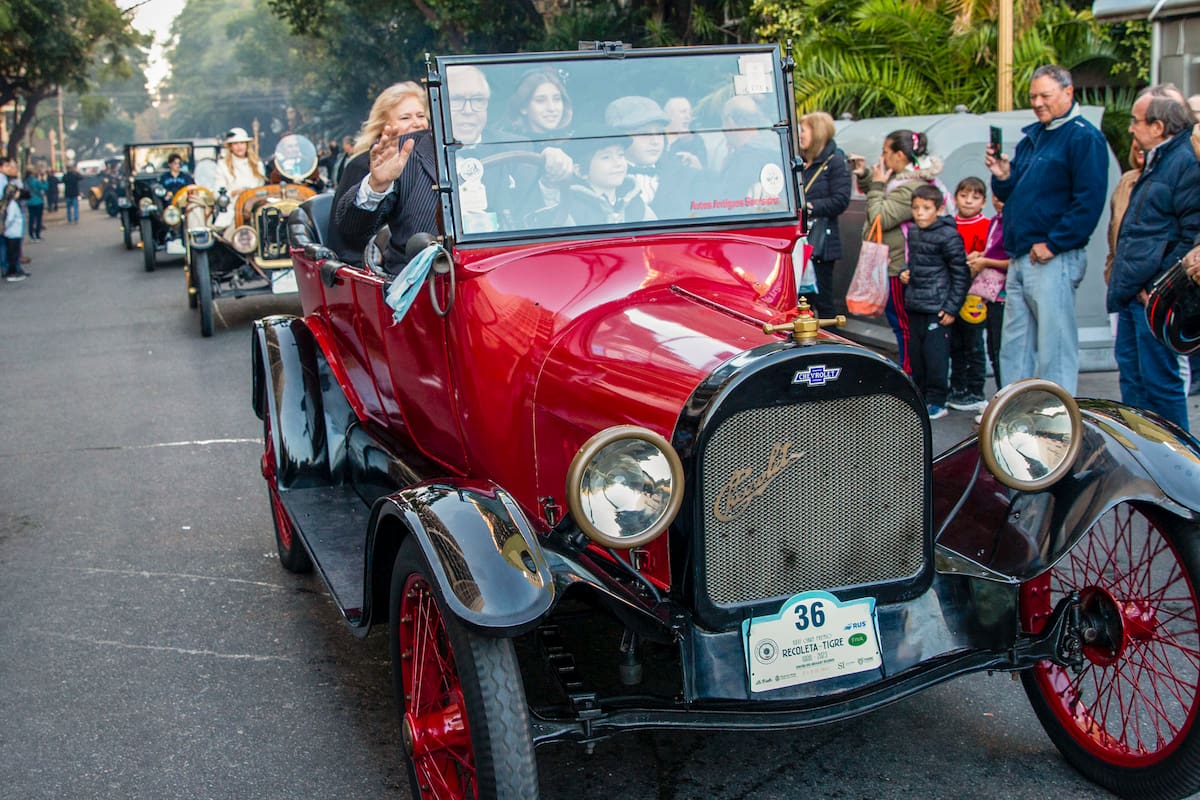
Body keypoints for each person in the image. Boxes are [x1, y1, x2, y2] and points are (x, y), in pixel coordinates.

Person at [335, 64, 572, 271]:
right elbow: (351, 231)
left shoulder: (514, 147)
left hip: (504, 282)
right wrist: (377, 186)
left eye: (477, 100)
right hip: (425, 290)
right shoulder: (404, 152)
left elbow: (541, 223)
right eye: (457, 100)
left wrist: (550, 181)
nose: (468, 110)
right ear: (437, 104)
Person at [985, 64, 1108, 395]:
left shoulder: (1084, 137)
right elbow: (1011, 194)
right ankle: (1013, 415)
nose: (1037, 102)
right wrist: (1002, 175)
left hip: (1053, 256)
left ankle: (1058, 417)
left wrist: (1054, 244)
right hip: (1022, 254)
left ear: (1068, 92)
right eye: (1033, 96)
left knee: (1055, 346)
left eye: (1045, 95)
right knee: (1015, 345)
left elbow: (1089, 201)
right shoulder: (1034, 136)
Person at [1107, 87, 1200, 432]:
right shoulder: (1160, 158)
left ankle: (1178, 473)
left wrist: (1162, 287)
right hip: (1136, 294)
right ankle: (1144, 466)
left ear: (1159, 126)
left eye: (1136, 121)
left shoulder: (1185, 161)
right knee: (1134, 384)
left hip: (1154, 298)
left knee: (1161, 386)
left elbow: (1192, 233)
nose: (1131, 128)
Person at [850, 129, 948, 374]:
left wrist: (877, 184)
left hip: (899, 265)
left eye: (885, 152)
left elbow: (879, 217)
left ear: (900, 155)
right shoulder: (903, 179)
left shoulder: (910, 188)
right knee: (902, 325)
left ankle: (908, 373)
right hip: (896, 263)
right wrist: (865, 175)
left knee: (902, 326)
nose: (882, 158)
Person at [327, 81, 429, 266]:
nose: (416, 123)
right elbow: (349, 236)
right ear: (384, 126)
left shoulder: (435, 161)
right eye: (405, 118)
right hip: (377, 270)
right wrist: (377, 185)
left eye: (421, 115)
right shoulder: (362, 165)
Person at [897, 183, 970, 419]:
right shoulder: (915, 233)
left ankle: (938, 401)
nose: (919, 213)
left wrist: (951, 307)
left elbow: (961, 274)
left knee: (936, 357)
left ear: (938, 210)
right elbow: (917, 263)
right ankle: (922, 397)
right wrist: (905, 272)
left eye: (926, 208)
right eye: (916, 208)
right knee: (917, 357)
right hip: (916, 303)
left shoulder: (949, 235)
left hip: (937, 308)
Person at [604, 95, 700, 219]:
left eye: (660, 132)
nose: (655, 141)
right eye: (644, 133)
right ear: (618, 138)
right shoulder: (600, 180)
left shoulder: (689, 177)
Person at [798, 111, 851, 318]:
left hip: (821, 242)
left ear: (817, 132)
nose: (800, 135)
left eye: (804, 130)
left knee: (823, 299)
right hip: (802, 240)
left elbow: (840, 200)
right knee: (803, 300)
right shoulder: (802, 161)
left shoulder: (835, 161)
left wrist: (810, 206)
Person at [947, 176, 990, 412]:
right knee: (956, 344)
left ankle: (976, 390)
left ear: (983, 202)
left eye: (975, 197)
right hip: (954, 291)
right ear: (956, 198)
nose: (969, 201)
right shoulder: (949, 225)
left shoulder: (987, 225)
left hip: (976, 293)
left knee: (974, 344)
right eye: (964, 195)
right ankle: (957, 388)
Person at [969, 195, 1010, 404]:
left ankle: (1008, 398)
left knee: (1004, 351)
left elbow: (1013, 260)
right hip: (992, 295)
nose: (998, 200)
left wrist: (985, 261)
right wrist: (982, 255)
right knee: (994, 350)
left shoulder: (1012, 222)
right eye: (996, 195)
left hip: (1006, 296)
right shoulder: (996, 220)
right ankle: (1002, 397)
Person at [503, 68, 572, 138]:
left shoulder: (574, 141)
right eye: (540, 100)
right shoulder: (510, 143)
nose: (551, 108)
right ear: (523, 107)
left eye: (557, 99)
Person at [213, 127, 266, 198]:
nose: (239, 146)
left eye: (242, 143)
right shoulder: (223, 165)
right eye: (235, 143)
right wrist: (234, 193)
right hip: (232, 206)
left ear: (247, 145)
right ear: (230, 146)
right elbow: (217, 194)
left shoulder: (257, 164)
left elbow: (261, 189)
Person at [3, 183, 28, 281]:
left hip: (11, 232)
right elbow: (10, 219)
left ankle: (13, 271)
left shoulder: (9, 203)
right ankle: (12, 273)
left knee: (13, 253)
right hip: (13, 232)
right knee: (13, 254)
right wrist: (5, 227)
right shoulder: (12, 204)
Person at [25, 168, 46, 242]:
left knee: (31, 219)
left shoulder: (25, 182)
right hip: (38, 201)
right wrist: (44, 179)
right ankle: (37, 235)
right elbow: (45, 187)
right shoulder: (36, 181)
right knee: (38, 219)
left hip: (29, 202)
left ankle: (31, 236)